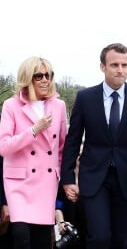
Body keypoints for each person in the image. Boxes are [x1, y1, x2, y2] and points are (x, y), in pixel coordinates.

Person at [60, 43, 127, 249]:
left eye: (125, 65)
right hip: (94, 178)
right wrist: (68, 178)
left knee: (122, 240)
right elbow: (72, 141)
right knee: (99, 237)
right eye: (114, 64)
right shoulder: (85, 98)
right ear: (102, 67)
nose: (120, 70)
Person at [0, 56, 68, 249]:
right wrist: (33, 130)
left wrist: (61, 176)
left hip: (46, 183)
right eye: (39, 76)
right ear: (27, 78)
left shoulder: (59, 106)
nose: (45, 80)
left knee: (41, 240)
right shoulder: (10, 106)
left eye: (49, 75)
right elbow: (3, 147)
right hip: (19, 183)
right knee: (21, 235)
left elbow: (62, 146)